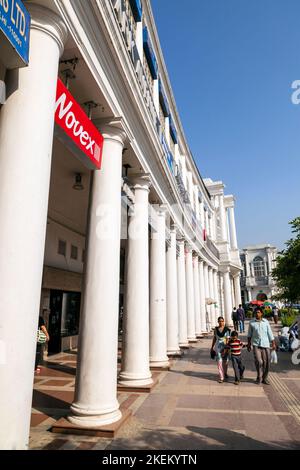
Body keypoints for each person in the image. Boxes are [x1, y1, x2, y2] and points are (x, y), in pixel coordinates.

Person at [247, 308, 276, 385]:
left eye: (259, 312)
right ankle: (259, 377)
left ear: (261, 314)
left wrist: (273, 343)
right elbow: (249, 334)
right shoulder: (252, 323)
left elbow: (270, 333)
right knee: (259, 361)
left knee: (267, 362)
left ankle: (265, 378)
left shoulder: (266, 322)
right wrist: (249, 344)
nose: (257, 314)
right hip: (256, 345)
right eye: (256, 312)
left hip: (266, 344)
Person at [210, 317, 231, 383]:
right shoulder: (216, 330)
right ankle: (221, 377)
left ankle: (225, 372)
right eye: (219, 321)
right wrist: (212, 347)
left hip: (225, 346)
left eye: (222, 321)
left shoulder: (227, 330)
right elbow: (214, 338)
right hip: (218, 347)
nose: (221, 322)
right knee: (219, 361)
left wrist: (226, 348)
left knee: (226, 361)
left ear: (224, 321)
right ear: (218, 322)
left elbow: (227, 339)